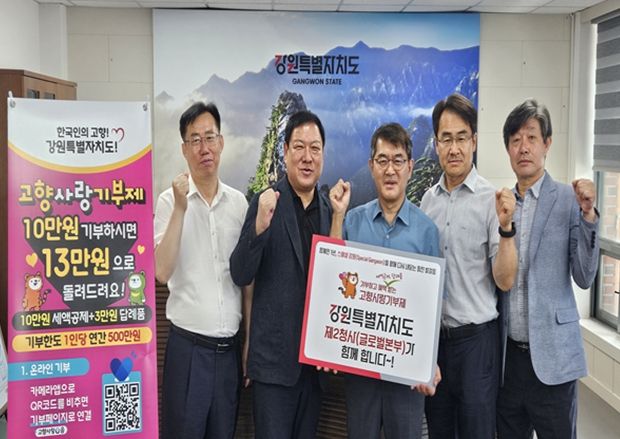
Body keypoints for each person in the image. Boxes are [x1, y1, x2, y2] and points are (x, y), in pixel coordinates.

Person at [329, 122, 442, 439]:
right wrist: (337, 215)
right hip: (361, 368)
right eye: (382, 161)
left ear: (410, 167)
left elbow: (432, 306)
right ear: (371, 166)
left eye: (397, 161)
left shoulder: (426, 230)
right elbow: (332, 276)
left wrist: (429, 360)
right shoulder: (351, 221)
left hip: (407, 373)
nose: (390, 170)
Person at [496, 98, 599, 439]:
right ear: (508, 149)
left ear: (547, 144)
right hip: (509, 362)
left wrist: (588, 216)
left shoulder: (569, 199)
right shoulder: (501, 205)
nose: (523, 147)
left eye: (531, 137)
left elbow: (584, 276)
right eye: (515, 140)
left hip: (555, 360)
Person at [420, 93, 518, 438]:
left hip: (477, 344)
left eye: (462, 138)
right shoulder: (427, 202)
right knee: (439, 429)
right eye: (446, 139)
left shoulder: (491, 201)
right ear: (436, 145)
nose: (454, 148)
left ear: (474, 141)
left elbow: (505, 280)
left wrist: (506, 227)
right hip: (436, 344)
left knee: (478, 431)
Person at [229, 110, 332, 439]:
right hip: (273, 368)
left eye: (315, 148)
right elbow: (240, 272)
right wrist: (259, 227)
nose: (307, 157)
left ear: (323, 155)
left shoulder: (330, 211)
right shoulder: (266, 201)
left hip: (314, 369)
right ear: (285, 151)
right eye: (299, 147)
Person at [154, 102, 250, 439]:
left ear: (221, 142)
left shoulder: (239, 204)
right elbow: (161, 272)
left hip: (229, 354)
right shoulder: (168, 202)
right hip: (188, 352)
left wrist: (248, 343)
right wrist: (181, 209)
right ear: (184, 149)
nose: (204, 148)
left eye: (210, 137)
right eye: (194, 140)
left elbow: (247, 282)